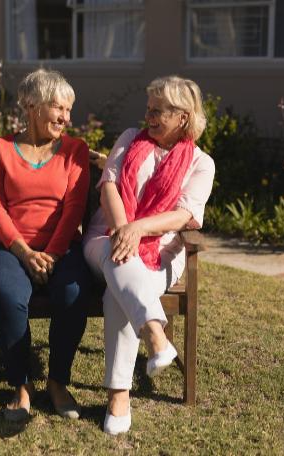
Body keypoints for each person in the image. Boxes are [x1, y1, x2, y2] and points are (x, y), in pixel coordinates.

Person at [82, 76, 216, 435]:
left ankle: (118, 394)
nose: (149, 116)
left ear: (183, 117)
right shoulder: (130, 139)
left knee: (119, 291)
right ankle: (156, 337)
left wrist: (139, 230)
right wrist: (124, 227)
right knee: (121, 262)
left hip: (161, 251)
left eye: (158, 111)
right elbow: (109, 183)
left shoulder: (202, 164)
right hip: (104, 236)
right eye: (148, 109)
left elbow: (184, 215)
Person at [0, 69, 93, 421]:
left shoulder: (75, 151)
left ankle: (58, 382)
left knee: (73, 293)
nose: (66, 117)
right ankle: (21, 387)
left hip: (61, 247)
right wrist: (25, 253)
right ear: (32, 106)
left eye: (69, 110)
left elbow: (74, 207)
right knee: (4, 292)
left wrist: (53, 254)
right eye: (59, 108)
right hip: (12, 248)